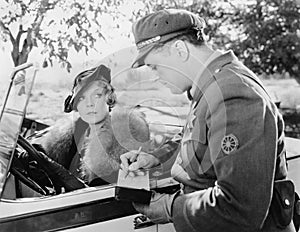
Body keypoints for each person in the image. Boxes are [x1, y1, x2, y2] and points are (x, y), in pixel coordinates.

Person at [120, 8, 296, 232]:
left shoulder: (232, 93)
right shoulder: (212, 85)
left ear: (179, 49)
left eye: (154, 66)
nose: (155, 76)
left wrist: (169, 207)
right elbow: (200, 137)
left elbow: (238, 208)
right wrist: (155, 158)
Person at [34, 64, 150, 186]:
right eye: (81, 98)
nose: (89, 104)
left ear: (109, 99)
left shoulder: (124, 137)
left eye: (96, 96)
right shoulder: (75, 133)